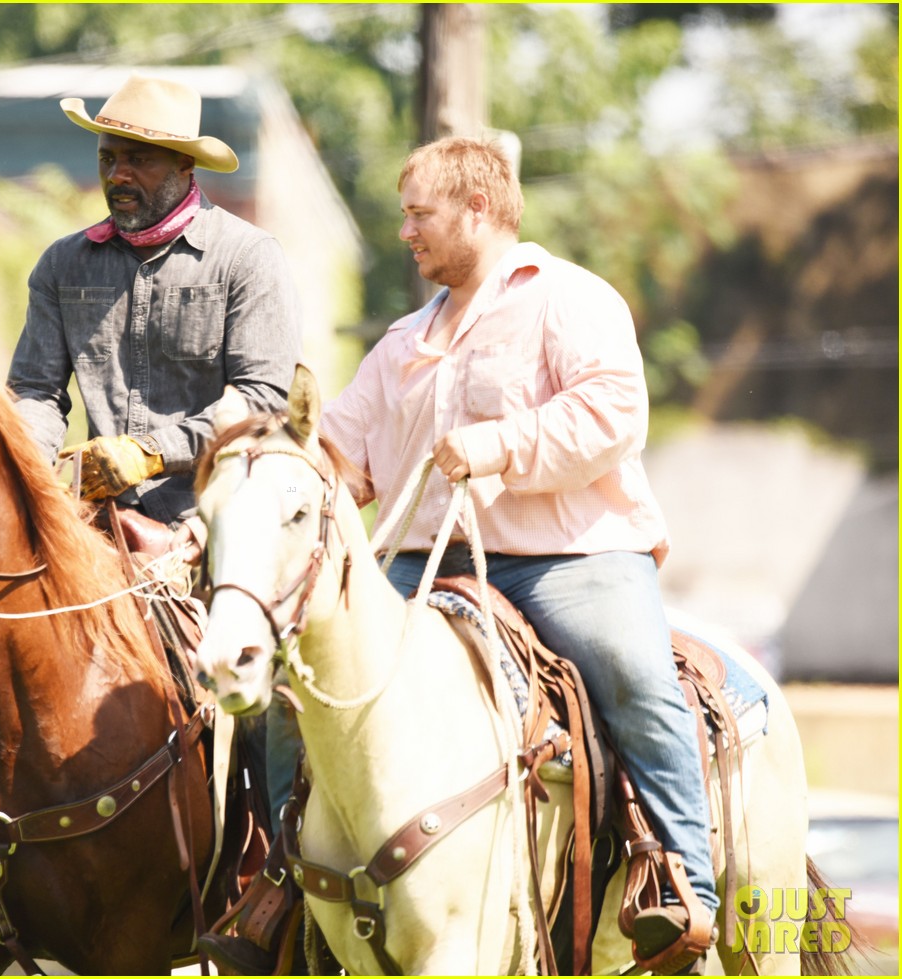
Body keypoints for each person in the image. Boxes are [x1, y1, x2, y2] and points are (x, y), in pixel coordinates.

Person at [0, 73, 302, 976]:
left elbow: (262, 399)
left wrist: (150, 452)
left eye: (134, 155)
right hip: (84, 527)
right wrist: (36, 459)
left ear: (181, 166)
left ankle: (279, 876)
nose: (115, 169)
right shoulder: (64, 264)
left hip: (217, 526)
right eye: (107, 153)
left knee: (268, 690)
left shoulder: (247, 260)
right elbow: (31, 392)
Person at [319, 135, 718, 973]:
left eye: (419, 214)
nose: (406, 233)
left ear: (477, 209)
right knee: (307, 684)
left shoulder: (568, 299)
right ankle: (284, 886)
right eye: (403, 216)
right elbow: (339, 456)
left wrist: (502, 442)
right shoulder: (400, 342)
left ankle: (683, 882)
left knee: (632, 672)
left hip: (566, 557)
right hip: (424, 563)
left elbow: (614, 414)